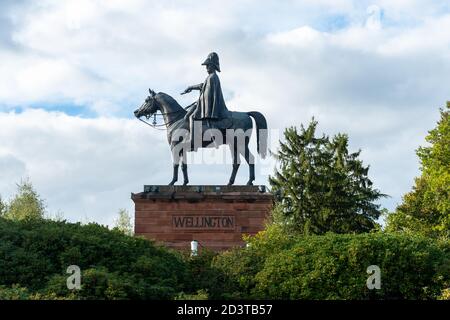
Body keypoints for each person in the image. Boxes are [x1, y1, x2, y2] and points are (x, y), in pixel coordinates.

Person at [182, 52, 229, 148]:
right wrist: (191, 87)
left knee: (192, 117)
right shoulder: (209, 77)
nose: (206, 68)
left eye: (208, 65)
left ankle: (193, 140)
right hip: (203, 104)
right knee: (188, 114)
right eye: (206, 65)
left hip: (208, 106)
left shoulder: (213, 78)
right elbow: (202, 86)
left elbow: (210, 95)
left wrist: (200, 103)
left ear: (213, 66)